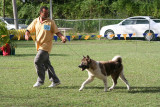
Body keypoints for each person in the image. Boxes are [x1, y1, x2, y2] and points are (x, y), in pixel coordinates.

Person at [25, 6, 67, 88]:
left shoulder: (50, 22)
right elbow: (28, 29)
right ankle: (55, 80)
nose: (47, 14)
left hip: (46, 46)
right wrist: (27, 34)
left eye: (48, 13)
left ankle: (40, 80)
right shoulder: (36, 21)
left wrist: (62, 37)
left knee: (37, 61)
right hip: (38, 46)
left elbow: (57, 32)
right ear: (40, 13)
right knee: (47, 64)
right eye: (45, 13)